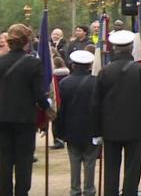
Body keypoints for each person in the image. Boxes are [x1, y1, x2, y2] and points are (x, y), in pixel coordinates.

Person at [91, 30, 141, 196]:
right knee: (133, 169)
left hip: (110, 129)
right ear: (131, 49)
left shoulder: (104, 72)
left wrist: (96, 131)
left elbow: (95, 104)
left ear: (114, 49)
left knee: (111, 169)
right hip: (135, 128)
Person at [0, 24, 52, 196]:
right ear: (26, 41)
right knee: (24, 161)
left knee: (4, 160)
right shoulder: (33, 63)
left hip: (2, 118)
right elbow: (38, 94)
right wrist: (48, 107)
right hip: (24, 119)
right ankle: (22, 192)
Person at [56, 50, 99, 196]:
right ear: (89, 65)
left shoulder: (64, 83)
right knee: (90, 161)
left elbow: (61, 110)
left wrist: (59, 132)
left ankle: (75, 189)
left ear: (73, 65)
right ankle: (89, 189)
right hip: (91, 128)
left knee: (74, 161)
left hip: (71, 128)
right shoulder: (96, 82)